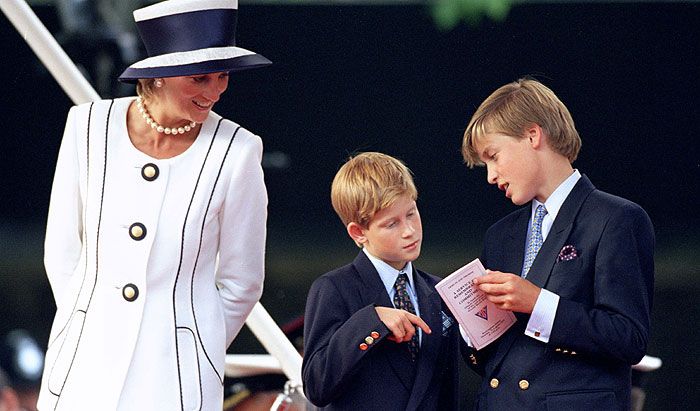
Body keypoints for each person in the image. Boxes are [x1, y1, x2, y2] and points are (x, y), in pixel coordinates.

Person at [37, 0, 271, 409]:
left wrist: (194, 342)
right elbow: (61, 252)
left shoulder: (239, 151)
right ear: (159, 75)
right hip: (82, 369)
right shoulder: (87, 126)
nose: (215, 91)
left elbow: (242, 282)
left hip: (177, 380)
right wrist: (88, 322)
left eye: (222, 76)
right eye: (200, 78)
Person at [461, 78, 655, 410]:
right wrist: (470, 324)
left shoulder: (617, 219)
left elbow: (629, 338)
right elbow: (493, 360)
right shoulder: (499, 235)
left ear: (533, 135)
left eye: (493, 156)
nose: (490, 175)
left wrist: (538, 303)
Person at [302, 152, 460, 410]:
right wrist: (371, 322)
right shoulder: (334, 288)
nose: (409, 230)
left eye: (411, 213)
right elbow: (317, 386)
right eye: (391, 224)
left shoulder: (438, 291)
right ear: (358, 232)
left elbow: (446, 392)